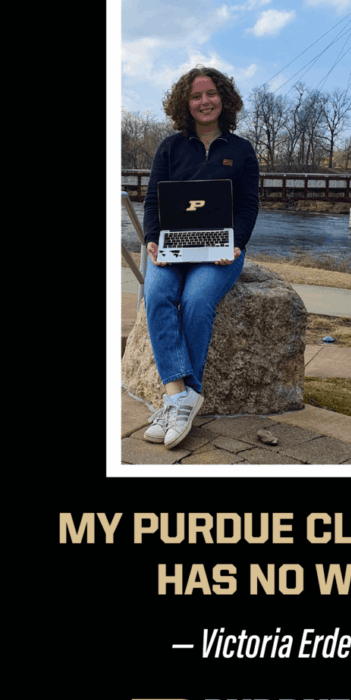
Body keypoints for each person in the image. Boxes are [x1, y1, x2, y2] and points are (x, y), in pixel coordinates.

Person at [141, 65, 260, 448]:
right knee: (157, 294)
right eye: (196, 96)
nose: (204, 101)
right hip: (174, 243)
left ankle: (178, 402)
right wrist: (152, 239)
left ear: (224, 99)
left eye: (211, 94)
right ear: (185, 103)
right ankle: (179, 397)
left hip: (221, 246)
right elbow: (152, 200)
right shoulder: (169, 147)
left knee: (195, 300)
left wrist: (235, 242)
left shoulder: (242, 150)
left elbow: (248, 206)